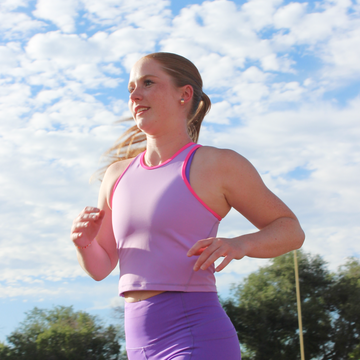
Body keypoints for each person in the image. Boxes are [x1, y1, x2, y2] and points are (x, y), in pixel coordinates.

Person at [71, 52, 305, 360]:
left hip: (195, 336)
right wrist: (83, 243)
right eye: (130, 88)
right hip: (137, 345)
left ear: (185, 94)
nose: (135, 95)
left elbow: (290, 229)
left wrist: (239, 244)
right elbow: (101, 268)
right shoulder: (116, 175)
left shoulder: (218, 164)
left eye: (148, 83)